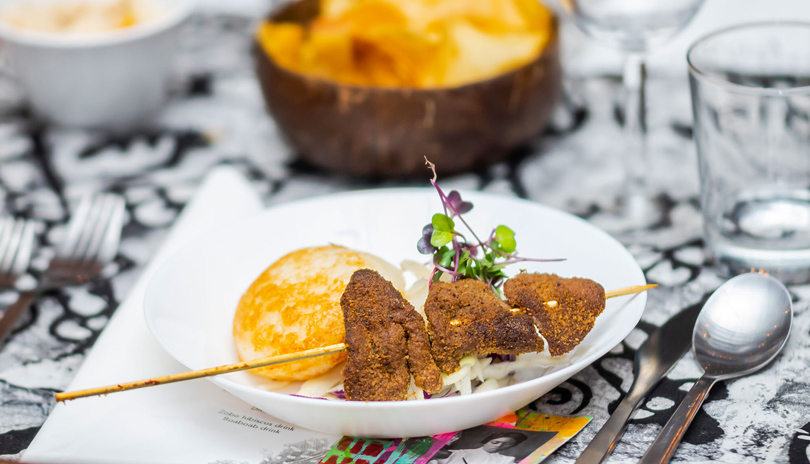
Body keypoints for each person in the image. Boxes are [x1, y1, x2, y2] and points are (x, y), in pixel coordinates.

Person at [429, 431, 527, 464]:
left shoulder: (508, 460)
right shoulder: (457, 453)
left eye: (506, 444)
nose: (498, 446)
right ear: (487, 441)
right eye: (495, 442)